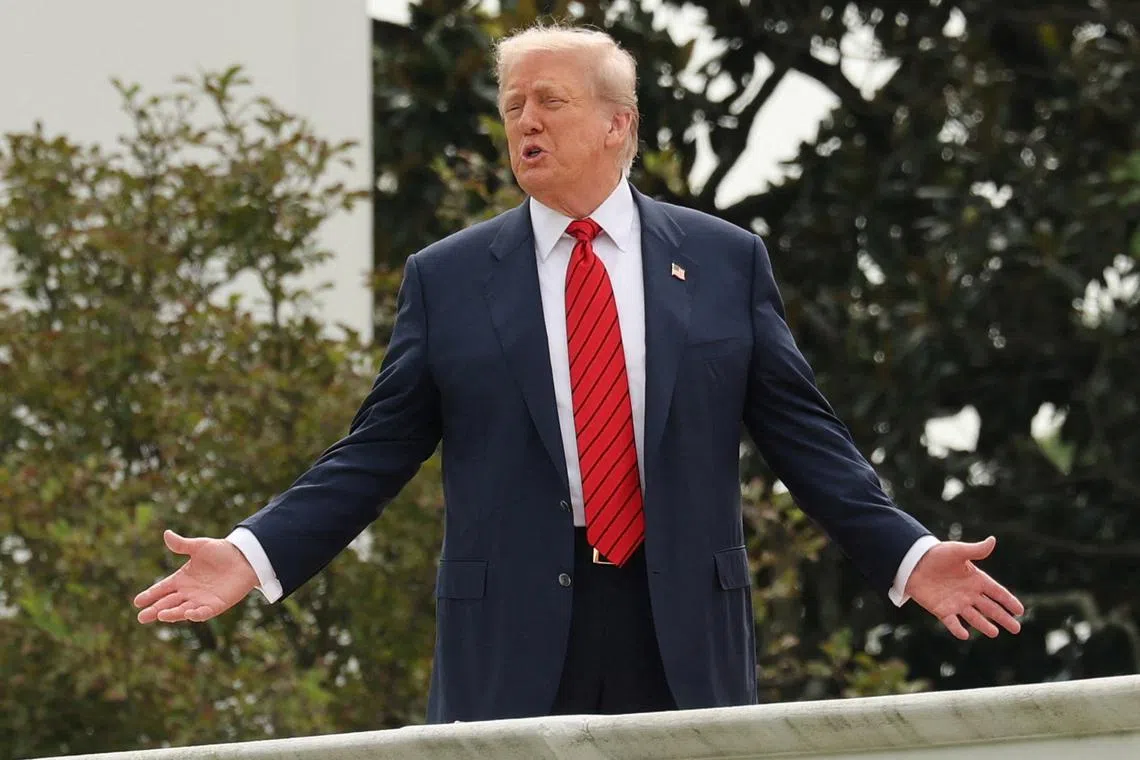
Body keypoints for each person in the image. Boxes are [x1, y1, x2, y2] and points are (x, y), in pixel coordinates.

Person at [134, 23, 1024, 722]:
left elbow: (808, 442)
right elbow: (374, 453)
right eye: (513, 104)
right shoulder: (446, 279)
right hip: (512, 636)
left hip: (682, 632)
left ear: (617, 123)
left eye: (549, 101)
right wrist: (253, 554)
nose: (525, 120)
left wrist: (910, 555)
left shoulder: (724, 262)